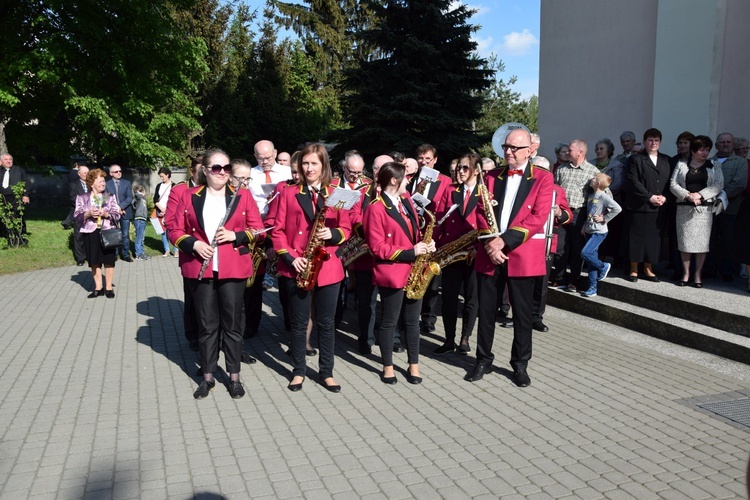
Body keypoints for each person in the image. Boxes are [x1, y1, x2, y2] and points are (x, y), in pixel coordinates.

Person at [169, 149, 265, 400]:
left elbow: (260, 230)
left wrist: (237, 236)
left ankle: (234, 377)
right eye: (216, 168)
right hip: (200, 268)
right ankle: (208, 377)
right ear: (205, 170)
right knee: (207, 325)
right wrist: (193, 244)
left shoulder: (242, 196)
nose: (222, 172)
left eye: (226, 168)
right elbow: (173, 229)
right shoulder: (189, 196)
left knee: (232, 326)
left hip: (233, 269)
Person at [468, 129, 553, 387]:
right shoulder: (491, 176)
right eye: (506, 147)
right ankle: (483, 359)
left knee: (522, 315)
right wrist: (491, 245)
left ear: (530, 150)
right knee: (486, 311)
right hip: (490, 254)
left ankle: (520, 364)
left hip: (521, 255)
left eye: (515, 148)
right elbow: (480, 211)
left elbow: (538, 218)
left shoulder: (542, 178)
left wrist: (503, 241)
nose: (508, 152)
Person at [271, 143, 350, 393]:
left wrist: (333, 233)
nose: (309, 168)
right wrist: (291, 257)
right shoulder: (288, 192)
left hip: (327, 266)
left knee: (326, 323)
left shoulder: (337, 192)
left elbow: (346, 228)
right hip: (298, 265)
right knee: (298, 322)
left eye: (314, 163)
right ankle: (299, 371)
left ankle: (326, 372)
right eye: (305, 163)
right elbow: (277, 231)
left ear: (323, 165)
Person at [364, 162, 433, 385]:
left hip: (414, 271)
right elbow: (377, 247)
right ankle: (388, 366)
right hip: (393, 272)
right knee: (389, 322)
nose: (408, 181)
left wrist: (426, 244)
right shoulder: (376, 207)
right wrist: (409, 252)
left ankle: (414, 364)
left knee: (413, 323)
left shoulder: (406, 201)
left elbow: (415, 233)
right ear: (394, 180)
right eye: (406, 178)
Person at [431, 153, 483, 356]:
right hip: (452, 251)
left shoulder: (484, 192)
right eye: (458, 167)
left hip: (474, 252)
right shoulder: (451, 190)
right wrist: (436, 244)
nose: (459, 172)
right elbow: (440, 219)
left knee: (472, 297)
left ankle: (465, 338)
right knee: (449, 298)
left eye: (465, 168)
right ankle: (449, 339)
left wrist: (477, 248)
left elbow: (488, 224)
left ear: (476, 170)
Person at [347, 154, 393, 355]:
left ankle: (394, 338)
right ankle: (365, 339)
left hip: (391, 257)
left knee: (391, 301)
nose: (378, 173)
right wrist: (371, 230)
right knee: (366, 302)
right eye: (375, 168)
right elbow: (354, 216)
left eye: (383, 169)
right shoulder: (362, 191)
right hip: (366, 257)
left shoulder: (399, 193)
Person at [407, 144, 451, 334]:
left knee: (431, 280)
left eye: (428, 159)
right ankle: (409, 315)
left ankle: (428, 318)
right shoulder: (410, 180)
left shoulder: (446, 181)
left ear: (435, 160)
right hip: (413, 236)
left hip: (434, 236)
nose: (424, 162)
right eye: (421, 159)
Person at [670, 135, 724, 288]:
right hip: (684, 209)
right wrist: (688, 195)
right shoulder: (681, 165)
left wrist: (700, 195)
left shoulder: (714, 166)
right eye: (701, 150)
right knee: (685, 243)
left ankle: (698, 274)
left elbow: (718, 185)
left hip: (703, 211)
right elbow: (673, 184)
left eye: (707, 150)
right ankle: (686, 273)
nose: (705, 153)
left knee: (701, 244)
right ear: (693, 151)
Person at [164, 156, 203, 353]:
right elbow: (171, 223)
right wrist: (193, 243)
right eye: (200, 171)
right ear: (193, 172)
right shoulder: (180, 190)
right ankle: (193, 336)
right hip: (192, 254)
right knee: (193, 299)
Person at [623, 128, 671, 282]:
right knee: (636, 238)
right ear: (644, 142)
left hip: (658, 207)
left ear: (660, 142)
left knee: (653, 239)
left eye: (656, 140)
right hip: (639, 205)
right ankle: (634, 269)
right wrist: (649, 197)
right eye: (650, 140)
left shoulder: (666, 160)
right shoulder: (636, 159)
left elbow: (670, 182)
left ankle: (649, 269)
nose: (653, 143)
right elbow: (633, 181)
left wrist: (664, 197)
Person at [530, 156, 572, 331]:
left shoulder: (557, 190)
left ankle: (536, 317)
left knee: (541, 282)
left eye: (542, 169)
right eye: (535, 168)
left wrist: (558, 213)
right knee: (522, 282)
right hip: (525, 240)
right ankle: (519, 316)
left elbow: (568, 215)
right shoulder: (525, 188)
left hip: (546, 241)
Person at [552, 139, 599, 292]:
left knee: (576, 249)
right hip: (562, 212)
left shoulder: (593, 172)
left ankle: (574, 280)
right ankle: (559, 278)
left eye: (570, 149)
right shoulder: (561, 169)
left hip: (580, 213)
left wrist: (591, 219)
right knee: (560, 248)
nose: (567, 152)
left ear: (580, 152)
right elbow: (554, 190)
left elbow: (601, 197)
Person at [73, 168, 122, 298]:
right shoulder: (82, 198)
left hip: (107, 232)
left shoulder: (110, 196)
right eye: (100, 181)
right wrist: (88, 213)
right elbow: (76, 216)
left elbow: (117, 215)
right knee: (94, 260)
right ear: (91, 183)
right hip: (90, 232)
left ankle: (109, 287)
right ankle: (98, 288)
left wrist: (106, 214)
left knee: (109, 260)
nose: (103, 183)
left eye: (103, 181)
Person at [709, 133, 748, 282]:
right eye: (722, 142)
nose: (725, 144)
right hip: (711, 208)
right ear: (716, 145)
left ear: (732, 145)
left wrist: (721, 195)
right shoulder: (710, 161)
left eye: (728, 142)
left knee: (728, 240)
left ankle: (726, 271)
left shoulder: (740, 162)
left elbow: (739, 183)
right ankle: (709, 268)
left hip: (730, 209)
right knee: (710, 240)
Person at [579, 173, 622, 297]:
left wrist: (604, 218)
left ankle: (603, 266)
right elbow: (589, 212)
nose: (590, 179)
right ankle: (592, 288)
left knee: (585, 253)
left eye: (593, 178)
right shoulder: (591, 195)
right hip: (589, 229)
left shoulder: (604, 196)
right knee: (591, 259)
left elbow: (617, 208)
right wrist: (584, 226)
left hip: (599, 232)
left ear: (597, 183)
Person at [105, 164, 133, 262]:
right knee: (114, 234)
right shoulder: (107, 184)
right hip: (112, 213)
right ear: (111, 173)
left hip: (125, 212)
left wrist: (120, 207)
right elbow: (106, 198)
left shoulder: (127, 183)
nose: (119, 173)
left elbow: (129, 197)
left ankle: (125, 254)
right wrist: (116, 209)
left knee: (125, 234)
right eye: (116, 171)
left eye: (120, 171)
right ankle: (114, 254)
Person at [0, 153, 30, 241]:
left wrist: (26, 195)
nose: (9, 161)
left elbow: (26, 183)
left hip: (16, 198)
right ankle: (5, 236)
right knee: (3, 218)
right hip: (2, 198)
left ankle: (20, 238)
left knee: (18, 217)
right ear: (1, 161)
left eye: (10, 159)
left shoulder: (19, 170)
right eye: (6, 159)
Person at [154, 166, 177, 257]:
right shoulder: (159, 186)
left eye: (162, 176)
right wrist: (161, 208)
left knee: (172, 231)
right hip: (160, 211)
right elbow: (155, 199)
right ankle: (166, 250)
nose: (161, 178)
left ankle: (176, 250)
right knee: (163, 232)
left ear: (168, 175)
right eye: (160, 176)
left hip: (171, 212)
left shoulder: (174, 185)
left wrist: (167, 210)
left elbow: (176, 200)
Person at [69, 165, 89, 265]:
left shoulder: (92, 184)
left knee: (89, 236)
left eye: (87, 173)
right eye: (84, 173)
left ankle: (89, 255)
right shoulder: (73, 185)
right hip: (79, 213)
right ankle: (80, 258)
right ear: (79, 174)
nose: (86, 175)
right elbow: (73, 198)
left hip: (91, 214)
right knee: (79, 236)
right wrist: (85, 206)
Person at [132, 184, 149, 261]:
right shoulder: (138, 199)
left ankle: (141, 253)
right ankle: (138, 254)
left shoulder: (143, 200)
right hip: (139, 220)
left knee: (142, 238)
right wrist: (138, 191)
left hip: (143, 220)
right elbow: (137, 196)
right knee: (139, 238)